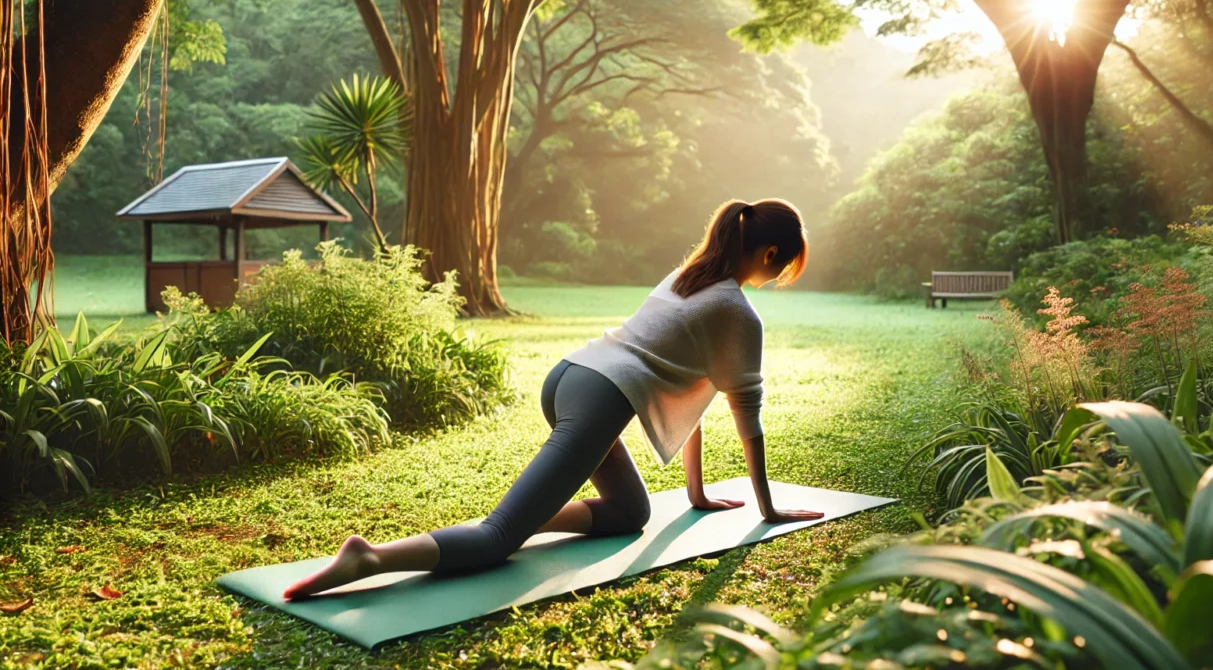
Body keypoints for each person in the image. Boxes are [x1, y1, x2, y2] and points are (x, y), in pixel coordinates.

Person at [283, 198, 822, 601]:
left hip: (570, 375)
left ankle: (533, 513)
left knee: (630, 511)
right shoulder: (736, 312)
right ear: (770, 254)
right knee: (497, 538)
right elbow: (746, 419)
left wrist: (697, 493)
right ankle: (370, 558)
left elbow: (689, 396)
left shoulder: (688, 277)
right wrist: (768, 508)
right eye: (782, 268)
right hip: (601, 398)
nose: (777, 279)